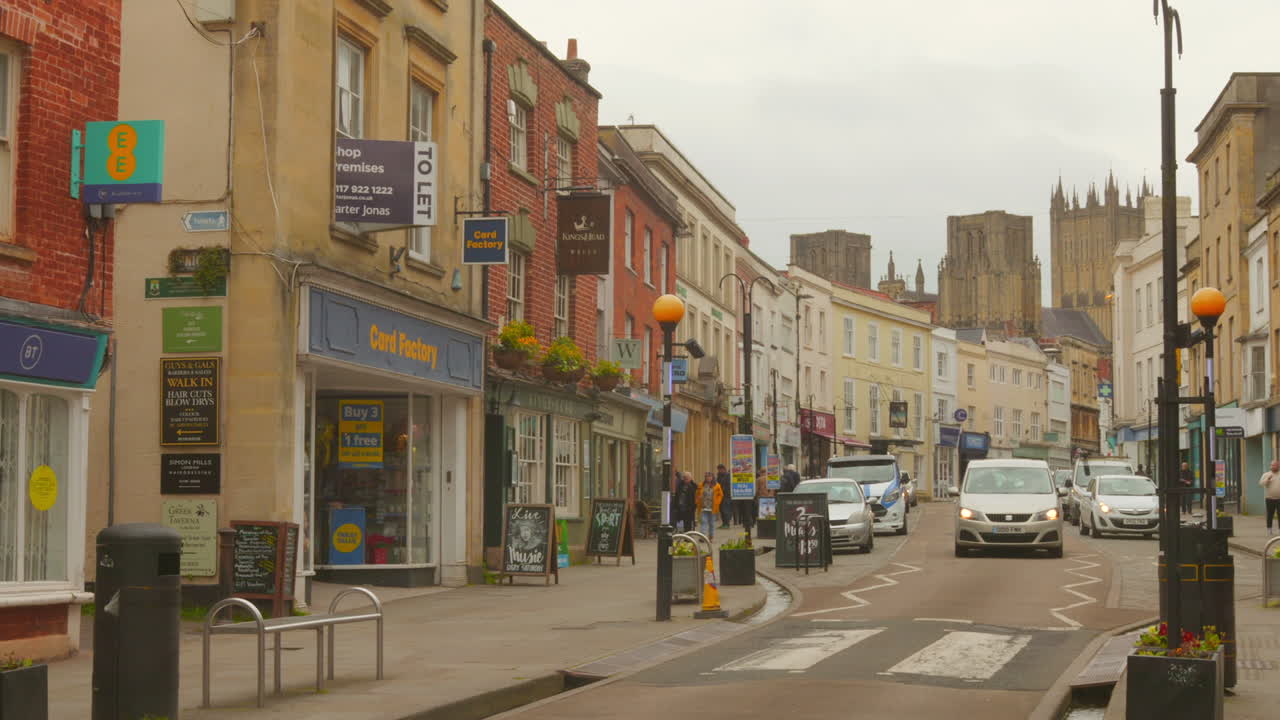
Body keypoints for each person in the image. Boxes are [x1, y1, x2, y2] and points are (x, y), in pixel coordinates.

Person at [695, 471, 723, 540]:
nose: (708, 478)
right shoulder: (701, 485)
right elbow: (697, 494)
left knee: (711, 523)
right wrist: (698, 500)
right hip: (703, 506)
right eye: (706, 477)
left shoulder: (717, 485)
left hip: (712, 507)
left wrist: (717, 502)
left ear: (712, 477)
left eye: (709, 477)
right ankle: (702, 537)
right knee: (703, 522)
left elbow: (721, 495)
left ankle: (711, 536)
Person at [1260, 460, 1280, 535]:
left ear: (1278, 466)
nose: (1273, 467)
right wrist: (1267, 480)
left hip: (1279, 498)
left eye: (1275, 465)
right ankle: (1269, 529)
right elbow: (1261, 483)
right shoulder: (1266, 474)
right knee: (1270, 514)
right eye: (1272, 465)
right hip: (1269, 498)